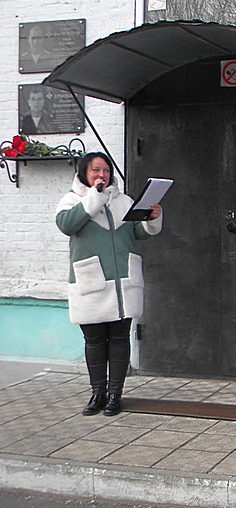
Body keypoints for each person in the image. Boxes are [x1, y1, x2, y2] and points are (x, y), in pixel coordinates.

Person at [55, 152, 163, 416]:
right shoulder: (72, 200)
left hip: (123, 286)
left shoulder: (124, 201)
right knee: (94, 342)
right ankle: (97, 394)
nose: (101, 175)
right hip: (90, 284)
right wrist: (95, 196)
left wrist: (152, 217)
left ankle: (115, 395)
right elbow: (66, 225)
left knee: (119, 340)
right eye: (95, 170)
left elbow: (139, 233)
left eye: (105, 170)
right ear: (84, 173)